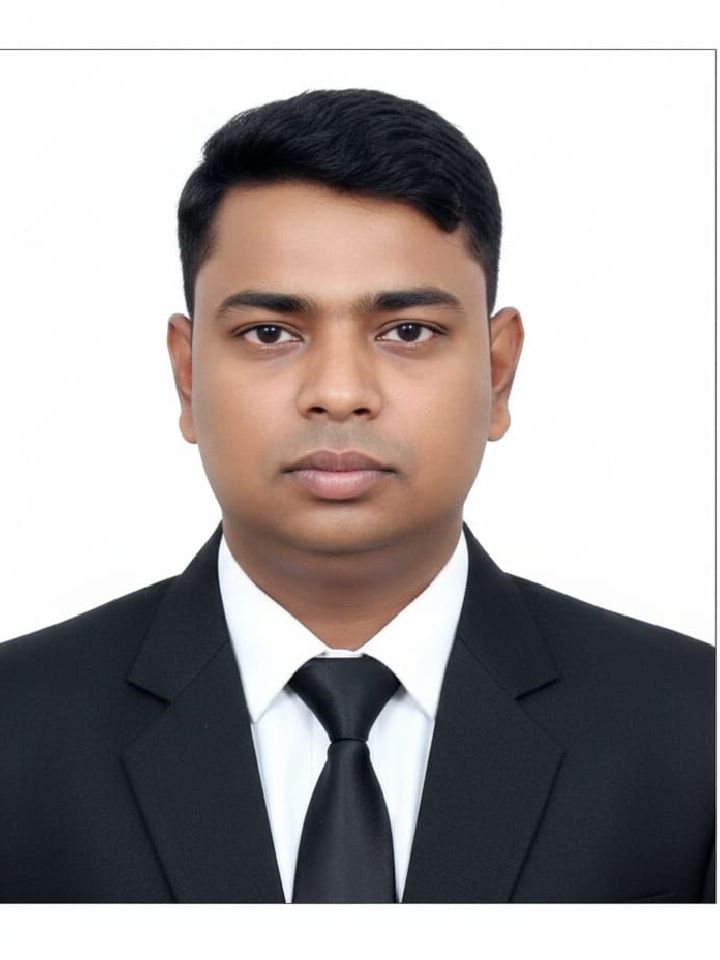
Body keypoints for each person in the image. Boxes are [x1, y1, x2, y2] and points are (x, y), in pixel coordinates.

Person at [0, 87, 713, 904]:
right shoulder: (18, 725)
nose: (339, 393)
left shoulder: (693, 726)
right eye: (271, 332)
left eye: (407, 331)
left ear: (498, 372)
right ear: (188, 376)